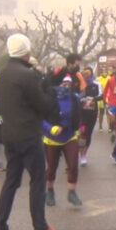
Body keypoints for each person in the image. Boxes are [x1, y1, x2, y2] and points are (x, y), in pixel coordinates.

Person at [0, 33, 64, 230]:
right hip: (28, 134)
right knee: (38, 180)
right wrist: (50, 94)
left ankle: (0, 228)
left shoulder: (5, 72)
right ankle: (40, 228)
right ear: (27, 50)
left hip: (10, 134)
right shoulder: (27, 74)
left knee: (11, 181)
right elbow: (41, 104)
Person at [43, 75, 83, 207]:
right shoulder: (49, 99)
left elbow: (79, 116)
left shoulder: (74, 98)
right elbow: (40, 119)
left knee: (73, 165)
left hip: (69, 136)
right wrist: (51, 128)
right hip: (52, 138)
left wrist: (80, 132)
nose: (66, 87)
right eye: (64, 84)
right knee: (52, 167)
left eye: (69, 84)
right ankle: (50, 191)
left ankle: (72, 192)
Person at [79, 67, 102, 167]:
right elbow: (75, 94)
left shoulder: (96, 84)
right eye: (85, 73)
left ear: (91, 74)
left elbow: (101, 95)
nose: (86, 75)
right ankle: (81, 154)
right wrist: (81, 99)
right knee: (82, 133)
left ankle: (85, 155)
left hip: (92, 113)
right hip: (81, 113)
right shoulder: (80, 84)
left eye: (88, 73)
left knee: (88, 134)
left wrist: (93, 99)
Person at [96, 66, 110, 130]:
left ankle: (109, 127)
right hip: (101, 97)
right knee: (101, 112)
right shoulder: (98, 79)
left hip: (108, 97)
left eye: (105, 71)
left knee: (108, 112)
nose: (104, 72)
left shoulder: (109, 78)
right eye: (103, 71)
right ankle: (100, 126)